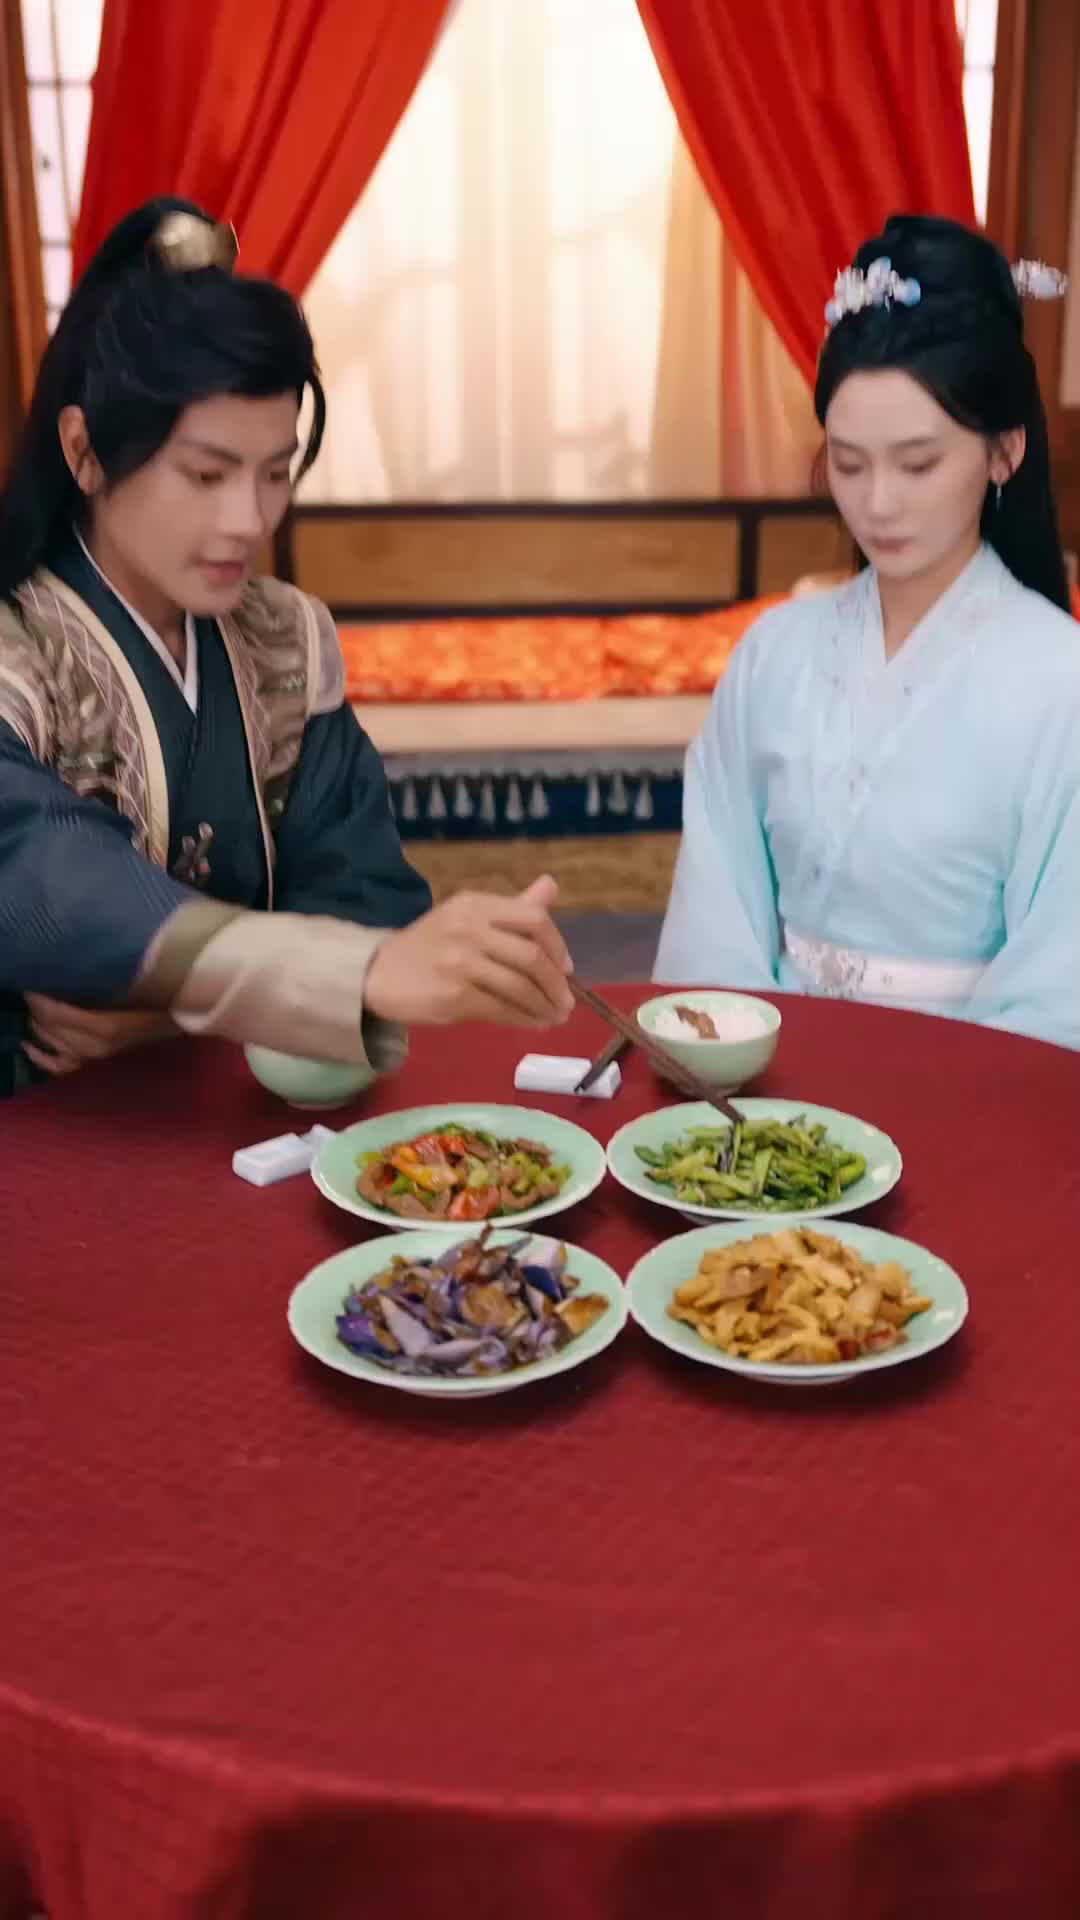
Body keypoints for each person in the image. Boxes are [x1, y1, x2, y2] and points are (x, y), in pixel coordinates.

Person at [0, 199, 574, 1097]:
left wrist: (180, 1010)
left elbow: (367, 897)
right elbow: (43, 875)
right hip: (44, 1136)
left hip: (252, 1112)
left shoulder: (285, 641)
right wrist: (304, 982)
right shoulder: (19, 654)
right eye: (206, 474)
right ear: (85, 452)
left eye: (276, 472)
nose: (249, 520)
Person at [656, 213, 1080, 1051]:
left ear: (1004, 452)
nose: (878, 503)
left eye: (918, 464)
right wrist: (731, 1067)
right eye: (848, 464)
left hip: (967, 1089)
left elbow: (1058, 983)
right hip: (765, 1087)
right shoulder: (773, 655)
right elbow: (717, 922)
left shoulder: (1059, 680)